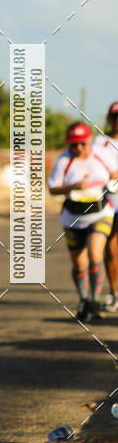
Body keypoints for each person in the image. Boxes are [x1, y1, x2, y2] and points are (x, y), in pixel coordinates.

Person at [48, 122, 116, 321]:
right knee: (79, 263)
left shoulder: (101, 155)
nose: (78, 148)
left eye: (82, 144)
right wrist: (73, 186)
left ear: (89, 141)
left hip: (100, 212)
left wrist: (110, 184)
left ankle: (95, 301)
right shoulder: (64, 160)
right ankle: (84, 300)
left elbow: (115, 173)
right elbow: (53, 188)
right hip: (72, 217)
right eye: (73, 145)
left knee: (96, 250)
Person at [92, 101, 118, 312]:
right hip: (109, 204)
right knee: (111, 249)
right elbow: (91, 165)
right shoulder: (99, 142)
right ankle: (114, 293)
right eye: (115, 117)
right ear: (109, 118)